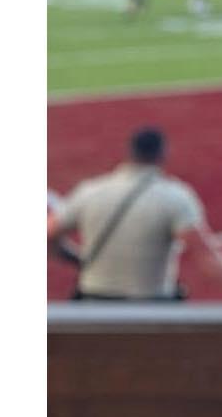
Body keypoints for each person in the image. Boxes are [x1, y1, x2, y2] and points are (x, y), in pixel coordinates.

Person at [47, 126, 205, 301]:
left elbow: (48, 233)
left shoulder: (90, 191)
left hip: (93, 303)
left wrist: (76, 260)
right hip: (152, 305)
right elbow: (202, 253)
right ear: (163, 154)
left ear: (130, 152)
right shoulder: (175, 197)